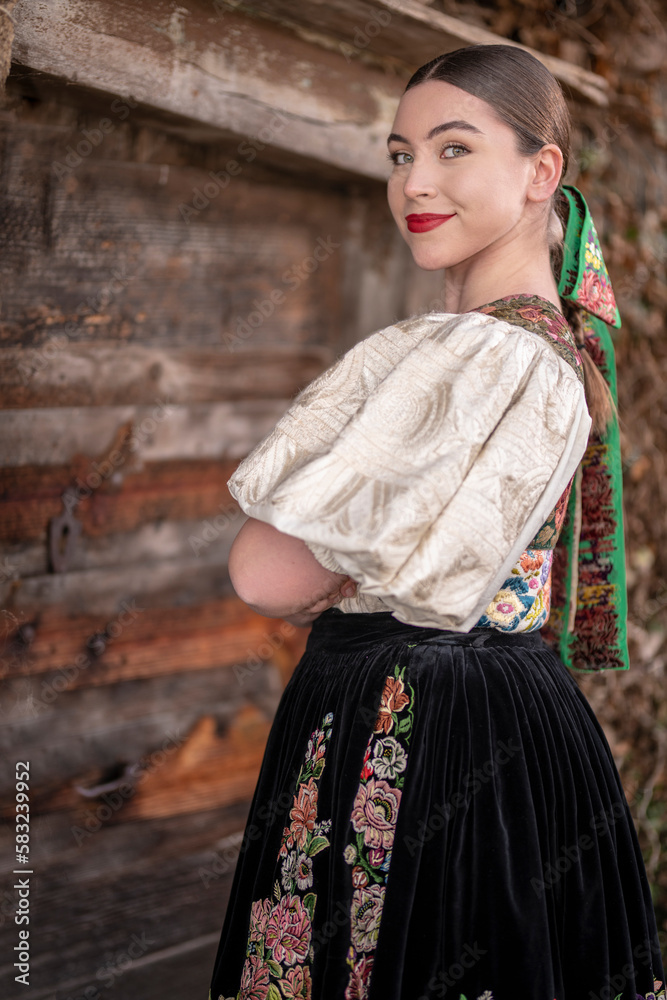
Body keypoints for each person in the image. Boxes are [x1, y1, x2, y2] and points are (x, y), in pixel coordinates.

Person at [208, 44, 665, 1000]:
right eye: (400, 154)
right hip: (508, 709)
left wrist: (339, 561)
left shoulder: (476, 354)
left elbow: (264, 572)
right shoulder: (547, 346)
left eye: (454, 149)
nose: (414, 181)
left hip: (423, 725)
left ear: (540, 171)